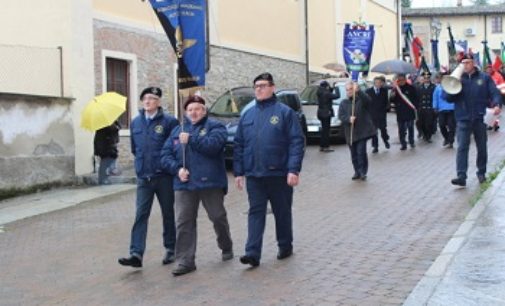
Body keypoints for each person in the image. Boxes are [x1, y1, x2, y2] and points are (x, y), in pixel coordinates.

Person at [233, 72, 305, 267]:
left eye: (263, 85)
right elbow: (239, 144)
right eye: (256, 86)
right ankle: (252, 253)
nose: (259, 89)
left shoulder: (284, 112)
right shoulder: (248, 114)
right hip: (255, 174)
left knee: (281, 211)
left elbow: (296, 142)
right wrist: (239, 172)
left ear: (273, 88)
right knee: (255, 212)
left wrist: (293, 169)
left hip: (279, 173)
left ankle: (285, 245)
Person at [160, 95, 233, 276]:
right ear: (186, 112)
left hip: (210, 183)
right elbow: (165, 155)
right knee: (184, 222)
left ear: (204, 110)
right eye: (190, 109)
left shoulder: (215, 127)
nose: (194, 112)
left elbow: (213, 146)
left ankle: (226, 245)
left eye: (198, 108)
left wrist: (191, 139)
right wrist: (177, 170)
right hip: (184, 185)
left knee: (217, 217)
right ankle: (185, 261)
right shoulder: (177, 130)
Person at [118, 87, 179, 268]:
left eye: (152, 98)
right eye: (145, 98)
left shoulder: (169, 122)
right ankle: (136, 253)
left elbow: (175, 149)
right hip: (144, 178)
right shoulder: (136, 123)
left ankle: (170, 248)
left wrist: (170, 167)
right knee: (140, 215)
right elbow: (135, 149)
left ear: (158, 102)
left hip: (164, 177)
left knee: (168, 213)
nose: (147, 101)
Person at [442, 54, 502, 186]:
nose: (465, 65)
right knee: (462, 147)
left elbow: (494, 93)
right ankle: (461, 175)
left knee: (481, 147)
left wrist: (497, 104)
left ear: (473, 63)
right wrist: (453, 87)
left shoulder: (484, 78)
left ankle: (481, 173)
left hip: (480, 117)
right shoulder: (458, 78)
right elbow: (446, 97)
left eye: (467, 62)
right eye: (462, 63)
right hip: (463, 117)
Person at [338, 81, 376, 180]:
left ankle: (363, 171)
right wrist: (348, 119)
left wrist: (359, 91)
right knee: (353, 154)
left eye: (351, 89)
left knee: (361, 152)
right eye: (347, 90)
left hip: (362, 132)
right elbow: (341, 116)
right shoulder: (343, 103)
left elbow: (368, 100)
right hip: (350, 133)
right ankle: (356, 171)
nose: (349, 91)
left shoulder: (361, 100)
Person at [390, 74, 419, 150]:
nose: (400, 81)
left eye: (402, 80)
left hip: (409, 111)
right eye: (399, 80)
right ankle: (403, 143)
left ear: (405, 80)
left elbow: (416, 99)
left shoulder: (411, 88)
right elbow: (392, 100)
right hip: (400, 112)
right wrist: (392, 95)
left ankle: (411, 141)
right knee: (401, 129)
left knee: (410, 127)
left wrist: (416, 107)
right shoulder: (396, 89)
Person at [365, 76, 390, 153]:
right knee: (374, 132)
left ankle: (385, 140)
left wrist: (385, 109)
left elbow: (386, 102)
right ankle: (375, 146)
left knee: (383, 130)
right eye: (377, 83)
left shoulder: (384, 91)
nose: (379, 84)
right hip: (372, 115)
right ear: (374, 83)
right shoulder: (368, 91)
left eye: (380, 83)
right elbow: (366, 103)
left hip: (381, 114)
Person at [93, 120, 120, 185]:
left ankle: (104, 179)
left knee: (105, 164)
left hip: (106, 149)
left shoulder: (107, 126)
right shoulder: (106, 126)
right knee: (105, 164)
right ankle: (103, 180)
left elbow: (116, 139)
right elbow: (113, 136)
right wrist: (116, 126)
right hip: (106, 149)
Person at [432, 73, 455, 148]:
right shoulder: (438, 88)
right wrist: (435, 107)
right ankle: (446, 138)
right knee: (442, 125)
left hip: (451, 109)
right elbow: (435, 98)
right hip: (441, 110)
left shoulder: (452, 87)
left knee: (451, 126)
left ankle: (451, 140)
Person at [316, 80, 340, 152]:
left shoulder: (319, 92)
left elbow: (329, 92)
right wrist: (336, 88)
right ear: (326, 86)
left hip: (320, 112)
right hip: (326, 113)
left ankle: (322, 146)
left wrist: (331, 88)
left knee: (324, 130)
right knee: (326, 131)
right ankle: (326, 146)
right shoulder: (326, 93)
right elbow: (337, 96)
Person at [415, 71, 437, 142]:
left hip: (430, 108)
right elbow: (417, 98)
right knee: (421, 124)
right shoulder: (419, 87)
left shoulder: (434, 87)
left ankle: (428, 136)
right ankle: (424, 134)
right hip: (421, 108)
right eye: (425, 78)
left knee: (429, 123)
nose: (426, 79)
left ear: (430, 78)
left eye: (428, 78)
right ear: (423, 79)